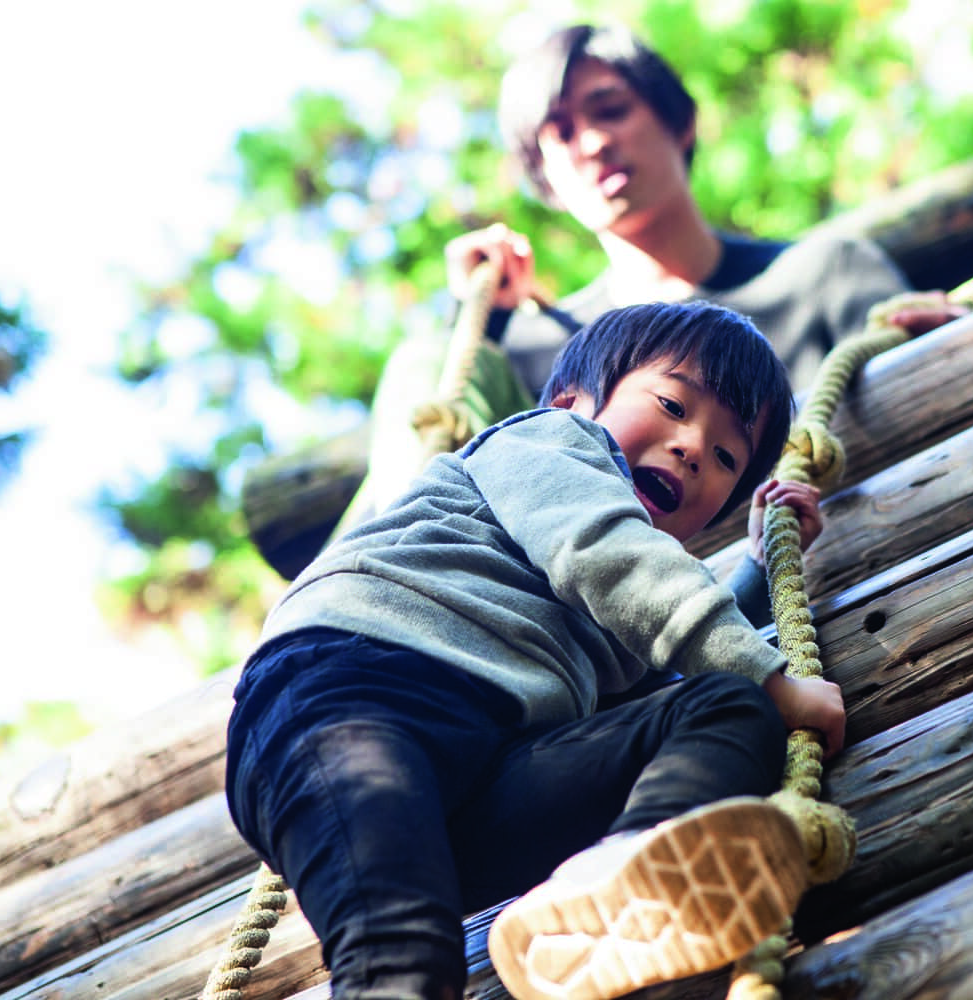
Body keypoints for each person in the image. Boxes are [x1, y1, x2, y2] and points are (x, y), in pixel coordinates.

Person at [224, 300, 847, 1000]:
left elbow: (660, 662)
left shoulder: (619, 617)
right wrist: (776, 682)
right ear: (572, 398)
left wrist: (758, 573)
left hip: (485, 768)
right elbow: (607, 554)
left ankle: (618, 878)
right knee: (400, 957)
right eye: (673, 404)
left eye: (727, 456)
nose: (694, 446)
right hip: (354, 695)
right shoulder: (552, 443)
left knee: (723, 707)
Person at [443, 21, 965, 401]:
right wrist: (477, 320)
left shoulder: (827, 274)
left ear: (681, 122)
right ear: (544, 178)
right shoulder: (535, 354)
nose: (596, 141)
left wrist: (951, 346)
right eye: (561, 134)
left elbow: (939, 399)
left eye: (612, 110)